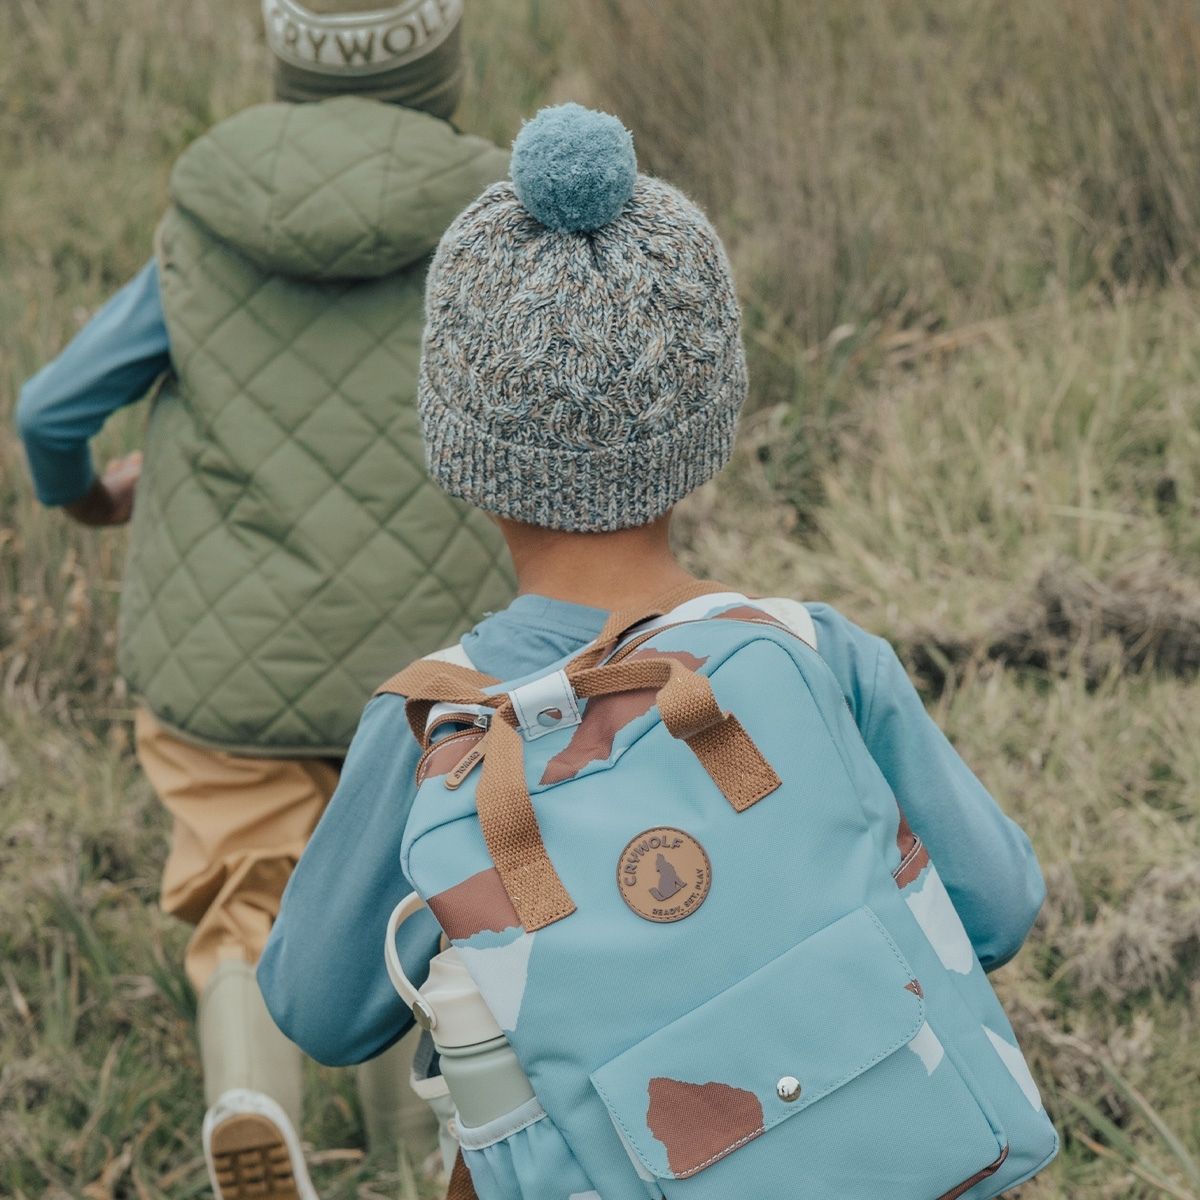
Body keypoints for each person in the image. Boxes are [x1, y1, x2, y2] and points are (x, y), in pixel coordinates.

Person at [257, 102, 1047, 1180]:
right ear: (709, 417)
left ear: (461, 445)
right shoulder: (813, 650)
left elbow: (320, 1012)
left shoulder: (430, 729)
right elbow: (996, 910)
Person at [14, 2, 514, 1197]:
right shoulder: (494, 226)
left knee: (244, 890)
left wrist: (86, 497)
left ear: (286, 64)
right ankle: (417, 1156)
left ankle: (252, 1107)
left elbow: (49, 412)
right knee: (415, 886)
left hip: (221, 663)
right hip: (429, 663)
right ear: (443, 67)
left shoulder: (201, 220)